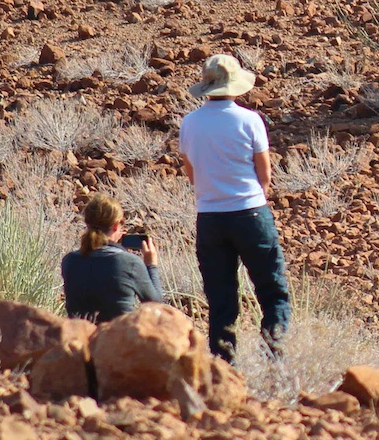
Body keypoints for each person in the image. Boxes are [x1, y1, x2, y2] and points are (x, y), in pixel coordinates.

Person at [178, 53, 289, 361]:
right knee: (271, 290)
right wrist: (254, 199)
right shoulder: (250, 120)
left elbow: (191, 173)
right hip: (250, 213)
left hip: (210, 217)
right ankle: (275, 360)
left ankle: (223, 369)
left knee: (221, 298)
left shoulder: (189, 124)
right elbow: (264, 173)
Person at [62, 194, 166, 324]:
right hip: (117, 338)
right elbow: (155, 304)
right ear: (116, 225)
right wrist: (151, 265)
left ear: (87, 223)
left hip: (80, 338)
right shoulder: (130, 262)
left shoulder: (69, 261)